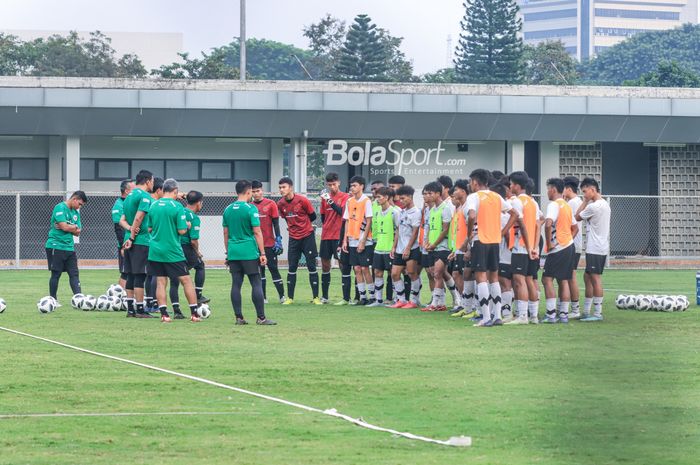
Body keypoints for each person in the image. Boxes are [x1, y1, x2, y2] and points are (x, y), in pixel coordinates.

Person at [460, 169, 518, 327]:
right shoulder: (496, 196)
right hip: (494, 242)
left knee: (481, 278)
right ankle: (497, 316)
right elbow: (514, 214)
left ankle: (485, 317)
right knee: (494, 278)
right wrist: (502, 232)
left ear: (475, 182)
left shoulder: (474, 197)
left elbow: (472, 215)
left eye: (471, 182)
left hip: (481, 240)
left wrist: (470, 232)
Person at [146, 179, 201, 323]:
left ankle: (164, 315)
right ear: (175, 191)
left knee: (161, 282)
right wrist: (188, 225)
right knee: (187, 280)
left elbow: (149, 228)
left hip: (155, 250)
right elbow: (182, 230)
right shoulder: (177, 207)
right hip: (173, 251)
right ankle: (194, 313)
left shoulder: (153, 205)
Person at [223, 180, 276, 325]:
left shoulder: (227, 209)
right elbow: (257, 232)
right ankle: (261, 318)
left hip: (234, 252)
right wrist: (263, 253)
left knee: (236, 284)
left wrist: (228, 253)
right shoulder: (251, 209)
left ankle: (239, 318)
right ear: (248, 192)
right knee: (256, 283)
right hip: (249, 252)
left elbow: (225, 233)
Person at [277, 177, 320, 305]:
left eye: (283, 187)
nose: (281, 190)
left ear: (290, 187)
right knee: (292, 267)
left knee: (312, 266)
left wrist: (303, 225)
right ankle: (290, 298)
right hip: (293, 238)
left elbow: (312, 216)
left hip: (307, 236)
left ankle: (316, 297)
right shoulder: (280, 204)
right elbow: (285, 218)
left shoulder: (302, 200)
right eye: (279, 188)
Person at [542, 178, 578, 324]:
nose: (547, 192)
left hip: (558, 248)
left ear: (553, 189)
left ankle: (551, 314)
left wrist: (550, 243)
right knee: (563, 280)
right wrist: (568, 239)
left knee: (546, 279)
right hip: (568, 246)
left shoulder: (554, 204)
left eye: (548, 189)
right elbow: (575, 227)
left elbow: (548, 223)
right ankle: (563, 314)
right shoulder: (566, 205)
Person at [505, 171, 539, 325]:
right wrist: (534, 245)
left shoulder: (517, 202)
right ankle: (534, 316)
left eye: (511, 184)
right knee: (529, 279)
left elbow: (521, 225)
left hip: (521, 246)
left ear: (517, 186)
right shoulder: (533, 202)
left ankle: (523, 316)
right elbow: (538, 224)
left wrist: (503, 232)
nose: (510, 186)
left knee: (519, 280)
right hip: (530, 246)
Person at [120, 170, 155, 318]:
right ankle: (140, 310)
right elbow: (139, 217)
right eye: (152, 181)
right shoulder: (144, 196)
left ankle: (130, 310)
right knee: (140, 275)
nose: (153, 184)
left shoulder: (129, 196)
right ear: (147, 181)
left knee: (130, 275)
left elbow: (122, 219)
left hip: (128, 240)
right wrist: (134, 237)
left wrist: (129, 234)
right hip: (139, 241)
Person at [575, 177, 610, 322]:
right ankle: (586, 311)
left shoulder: (593, 206)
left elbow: (576, 217)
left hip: (595, 247)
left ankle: (597, 313)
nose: (584, 195)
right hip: (600, 246)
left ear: (592, 189)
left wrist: (584, 202)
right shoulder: (605, 204)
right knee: (587, 276)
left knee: (595, 278)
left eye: (585, 192)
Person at [169, 190, 209, 319]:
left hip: (174, 247)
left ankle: (176, 311)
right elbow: (193, 240)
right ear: (199, 203)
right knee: (200, 265)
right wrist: (197, 252)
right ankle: (198, 294)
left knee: (174, 279)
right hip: (186, 248)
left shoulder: (178, 210)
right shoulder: (194, 217)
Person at [46, 191, 87, 302]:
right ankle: (53, 300)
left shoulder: (76, 213)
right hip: (56, 245)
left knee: (74, 274)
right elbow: (64, 227)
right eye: (80, 204)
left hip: (69, 247)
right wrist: (70, 227)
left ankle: (79, 299)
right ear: (74, 199)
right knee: (56, 274)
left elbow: (78, 232)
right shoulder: (59, 207)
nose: (80, 207)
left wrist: (69, 227)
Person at [251, 181, 286, 304]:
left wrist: (279, 239)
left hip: (270, 244)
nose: (256, 194)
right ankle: (263, 297)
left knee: (273, 269)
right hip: (255, 246)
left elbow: (276, 224)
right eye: (253, 191)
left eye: (258, 191)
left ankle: (282, 296)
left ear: (262, 190)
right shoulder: (249, 206)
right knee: (260, 272)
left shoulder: (271, 204)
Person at [342, 175, 374, 305]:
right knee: (356, 269)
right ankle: (362, 297)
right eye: (351, 185)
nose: (352, 188)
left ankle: (372, 296)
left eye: (355, 185)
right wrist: (345, 240)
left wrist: (363, 241)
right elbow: (347, 221)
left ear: (361, 186)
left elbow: (369, 221)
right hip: (352, 239)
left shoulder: (366, 201)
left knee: (365, 268)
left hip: (364, 241)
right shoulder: (349, 201)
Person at [422, 181, 453, 312]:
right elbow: (429, 228)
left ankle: (435, 303)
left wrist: (434, 244)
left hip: (443, 247)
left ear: (438, 194)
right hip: (432, 247)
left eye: (430, 193)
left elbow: (445, 230)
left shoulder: (446, 208)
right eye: (426, 193)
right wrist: (427, 242)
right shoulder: (431, 209)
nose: (427, 196)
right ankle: (444, 302)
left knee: (437, 273)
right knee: (437, 274)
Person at [319, 172, 350, 304]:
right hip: (326, 235)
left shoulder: (345, 197)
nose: (332, 187)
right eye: (329, 185)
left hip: (339, 235)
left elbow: (341, 212)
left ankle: (346, 297)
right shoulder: (324, 198)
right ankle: (325, 297)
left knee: (343, 264)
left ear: (339, 183)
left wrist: (330, 201)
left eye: (334, 184)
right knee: (325, 265)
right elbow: (323, 216)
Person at [389, 185, 421, 309]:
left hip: (412, 248)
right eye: (399, 199)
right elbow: (398, 229)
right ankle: (401, 300)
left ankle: (414, 300)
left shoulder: (416, 212)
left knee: (412, 273)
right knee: (395, 274)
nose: (400, 201)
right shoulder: (401, 212)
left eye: (403, 198)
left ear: (410, 197)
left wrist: (408, 248)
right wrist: (394, 246)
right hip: (399, 249)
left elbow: (415, 232)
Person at [368, 187, 399, 306]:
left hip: (389, 248)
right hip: (378, 248)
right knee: (377, 272)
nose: (377, 199)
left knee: (393, 274)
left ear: (386, 198)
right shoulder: (377, 212)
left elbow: (398, 231)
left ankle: (397, 299)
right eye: (376, 197)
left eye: (379, 197)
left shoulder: (394, 212)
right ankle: (378, 300)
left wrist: (394, 247)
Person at [563, 176, 583, 319]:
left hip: (571, 244)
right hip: (575, 244)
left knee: (571, 276)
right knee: (569, 276)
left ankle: (575, 309)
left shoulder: (572, 203)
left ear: (568, 189)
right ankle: (569, 308)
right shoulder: (576, 202)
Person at [112, 179, 133, 290]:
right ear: (126, 191)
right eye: (133, 189)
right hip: (125, 243)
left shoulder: (131, 203)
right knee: (125, 272)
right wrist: (122, 246)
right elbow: (118, 227)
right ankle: (120, 296)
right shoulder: (119, 205)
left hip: (134, 242)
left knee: (134, 272)